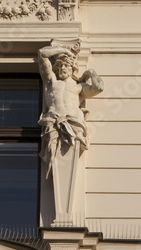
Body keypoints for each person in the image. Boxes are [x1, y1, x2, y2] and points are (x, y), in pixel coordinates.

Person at [37, 42, 103, 176]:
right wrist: (64, 50)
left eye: (65, 65)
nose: (62, 68)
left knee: (68, 157)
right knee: (52, 156)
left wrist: (90, 72)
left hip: (73, 122)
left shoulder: (78, 87)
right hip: (53, 122)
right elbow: (42, 54)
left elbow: (99, 88)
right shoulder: (51, 82)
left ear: (73, 68)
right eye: (59, 66)